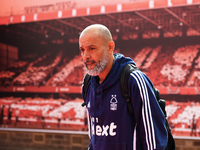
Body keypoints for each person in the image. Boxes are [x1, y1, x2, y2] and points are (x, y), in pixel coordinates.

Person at [79, 24, 168, 150]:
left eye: (92, 48)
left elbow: (154, 142)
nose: (85, 56)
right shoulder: (87, 83)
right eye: (82, 50)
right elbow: (93, 138)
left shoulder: (134, 80)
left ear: (110, 47)